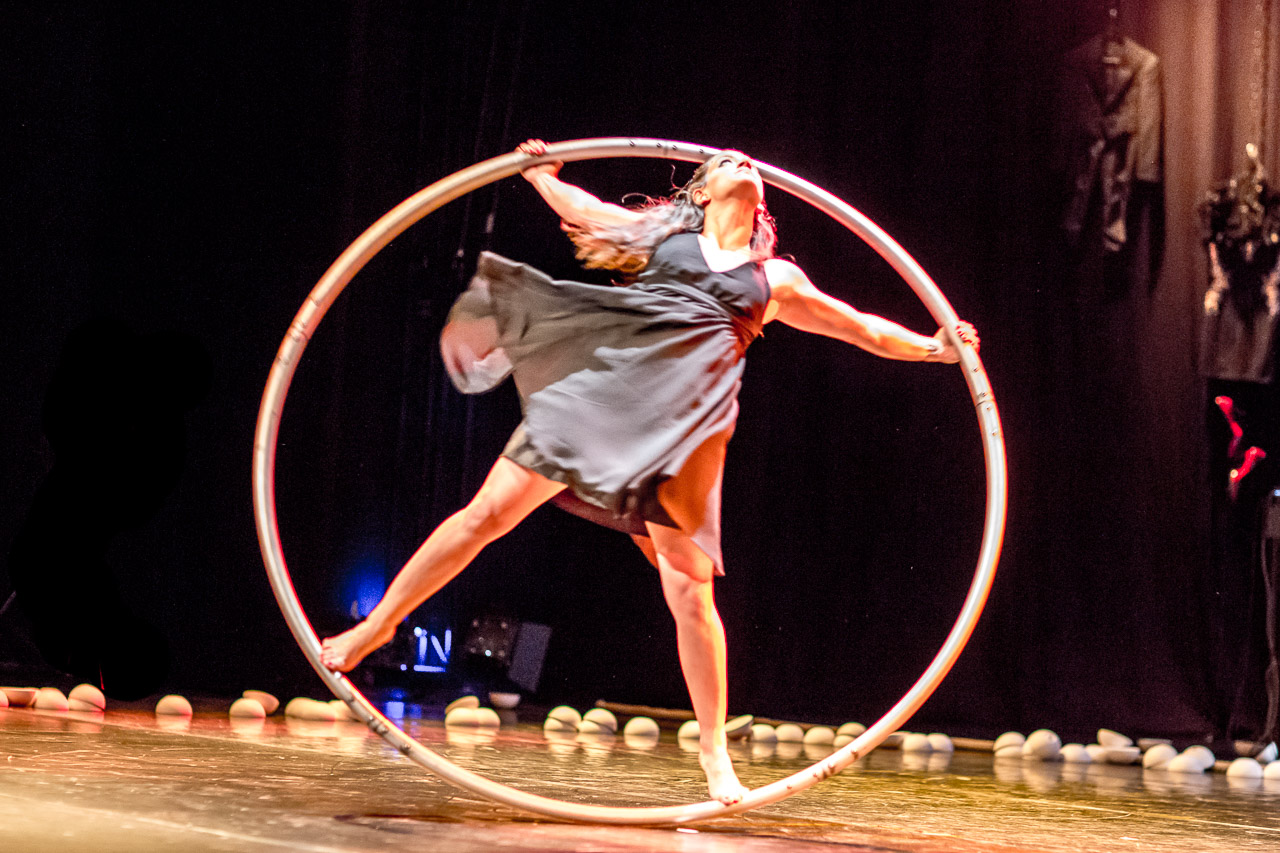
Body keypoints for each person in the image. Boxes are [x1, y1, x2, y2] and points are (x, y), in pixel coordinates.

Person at [322, 139, 979, 804]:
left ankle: (713, 749)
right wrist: (542, 177)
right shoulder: (667, 239)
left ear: (761, 203)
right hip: (603, 399)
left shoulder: (775, 280)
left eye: (747, 161)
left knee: (690, 592)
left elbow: (862, 328)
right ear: (701, 192)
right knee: (484, 516)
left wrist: (935, 348)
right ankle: (378, 626)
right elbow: (589, 212)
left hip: (681, 438)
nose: (741, 160)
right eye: (725, 162)